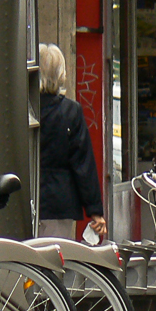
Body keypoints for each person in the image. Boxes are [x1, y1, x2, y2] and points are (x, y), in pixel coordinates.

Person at [38, 43, 107, 241]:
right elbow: (83, 164)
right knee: (53, 262)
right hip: (60, 202)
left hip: (25, 199)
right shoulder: (70, 111)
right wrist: (94, 210)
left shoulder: (23, 109)